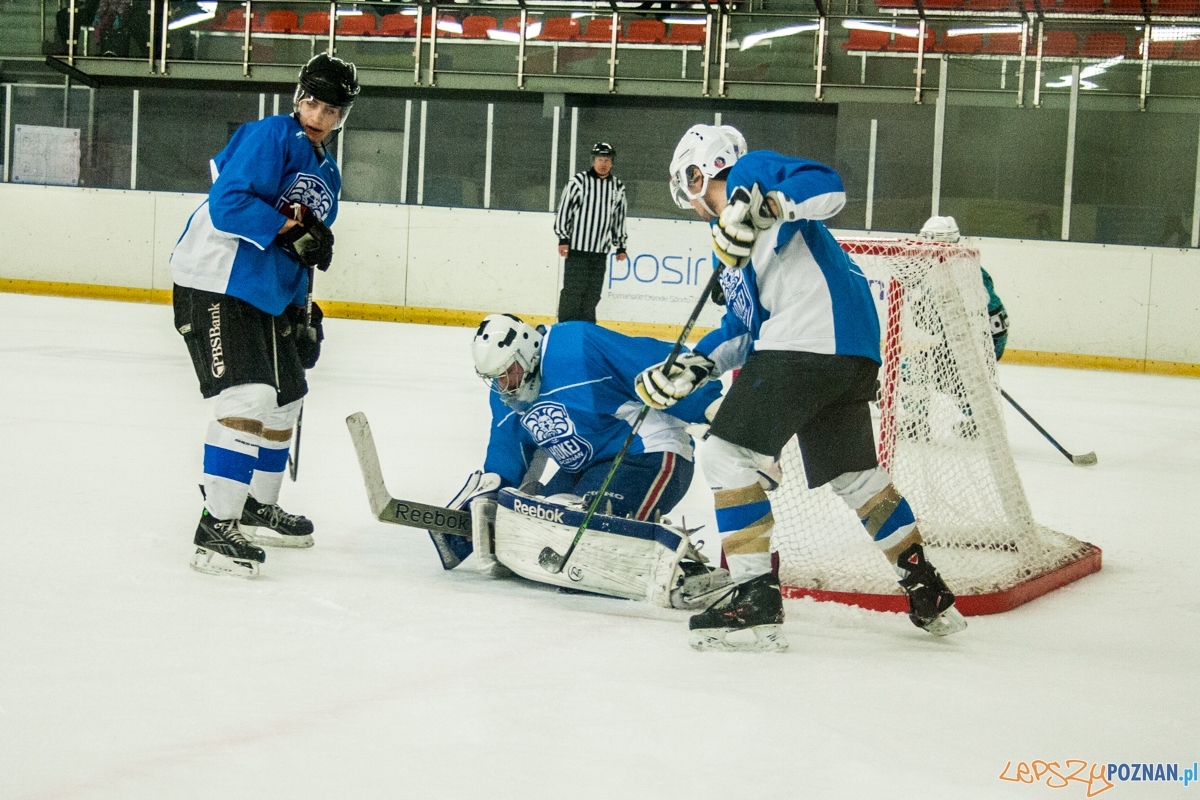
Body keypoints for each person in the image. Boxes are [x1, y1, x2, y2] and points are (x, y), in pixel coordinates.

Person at [635, 124, 967, 651]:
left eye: (688, 186)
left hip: (809, 341)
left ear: (698, 174)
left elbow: (827, 185)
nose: (692, 204)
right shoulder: (732, 245)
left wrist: (767, 205)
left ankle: (754, 598)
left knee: (725, 454)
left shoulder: (750, 174)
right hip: (847, 351)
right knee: (857, 478)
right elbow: (745, 329)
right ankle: (927, 588)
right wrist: (695, 366)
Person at [170, 53, 359, 578]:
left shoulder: (329, 174)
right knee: (249, 397)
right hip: (216, 280)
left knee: (286, 402)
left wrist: (303, 314)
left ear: (344, 115)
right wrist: (288, 231)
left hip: (268, 297)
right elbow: (227, 202)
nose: (319, 115)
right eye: (312, 102)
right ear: (298, 97)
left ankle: (254, 508)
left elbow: (302, 250)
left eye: (331, 108)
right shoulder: (268, 135)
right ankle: (214, 530)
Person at [424, 313, 723, 571]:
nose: (503, 386)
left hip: (647, 453)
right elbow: (510, 449)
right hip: (587, 469)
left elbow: (646, 360)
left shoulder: (574, 348)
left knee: (582, 537)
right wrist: (491, 496)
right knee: (536, 527)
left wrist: (705, 405)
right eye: (495, 379)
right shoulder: (505, 394)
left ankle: (672, 559)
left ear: (528, 351)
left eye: (508, 373)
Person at [552, 143, 629, 323]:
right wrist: (563, 238)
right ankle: (565, 329)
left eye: (607, 160)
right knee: (573, 291)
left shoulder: (618, 187)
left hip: (600, 251)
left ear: (612, 163)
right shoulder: (578, 182)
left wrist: (621, 246)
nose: (603, 163)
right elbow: (564, 210)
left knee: (593, 294)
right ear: (593, 160)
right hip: (577, 249)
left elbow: (619, 217)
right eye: (600, 159)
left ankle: (586, 330)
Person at [919, 215, 1008, 361]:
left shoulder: (961, 270)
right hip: (979, 339)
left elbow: (977, 315)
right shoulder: (959, 263)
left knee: (907, 370)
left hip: (982, 343)